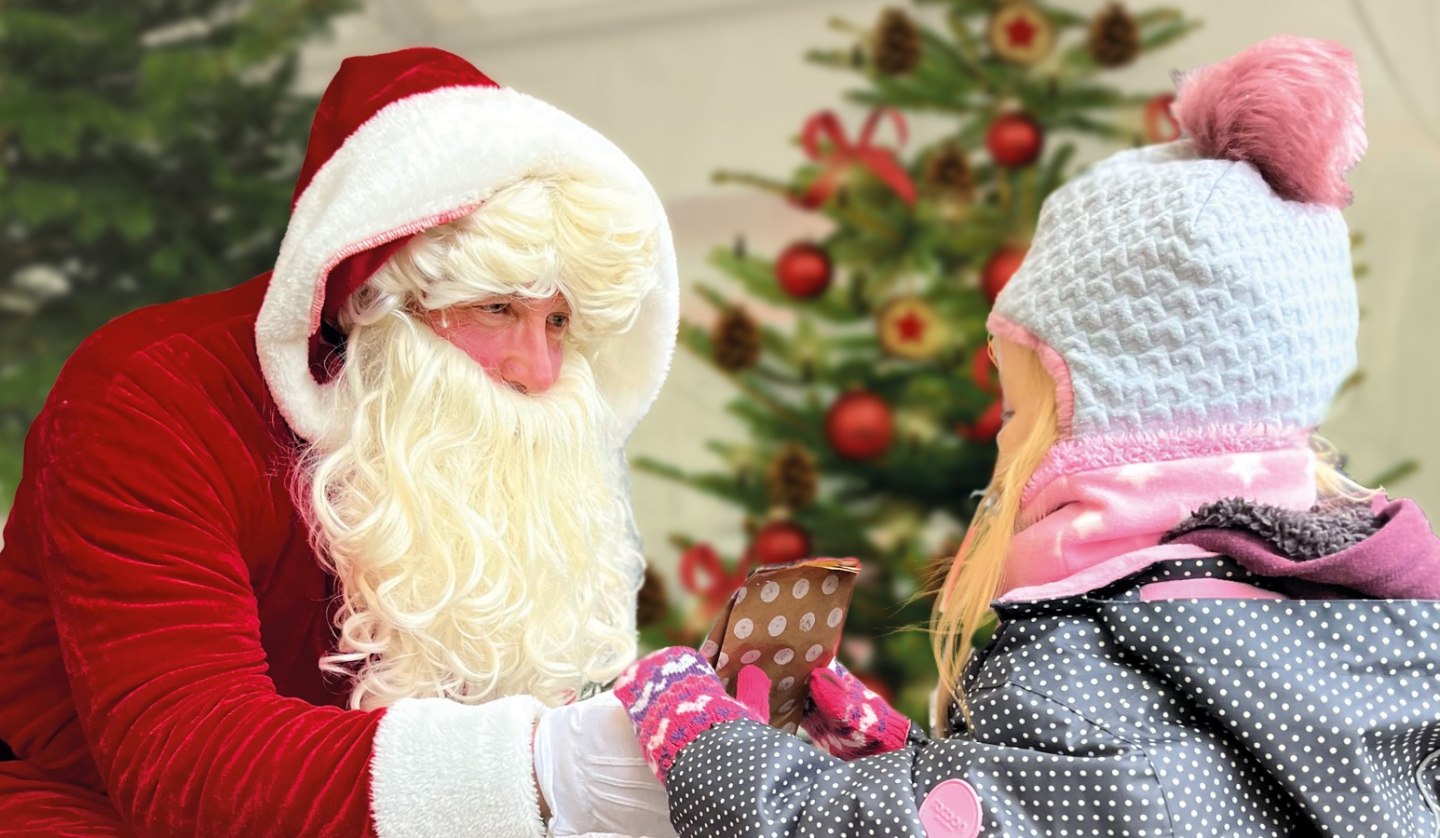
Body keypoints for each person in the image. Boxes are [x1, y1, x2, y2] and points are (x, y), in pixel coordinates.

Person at [616, 35, 1440, 837]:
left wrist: (707, 746)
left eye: (1017, 413)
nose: (1003, 445)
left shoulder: (1087, 674)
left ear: (1104, 422)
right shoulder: (1358, 637)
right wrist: (926, 772)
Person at [0, 47, 681, 836]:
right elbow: (190, 760)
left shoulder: (483, 426)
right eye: (496, 309)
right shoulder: (154, 396)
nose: (537, 370)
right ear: (374, 302)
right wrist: (547, 767)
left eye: (557, 322)